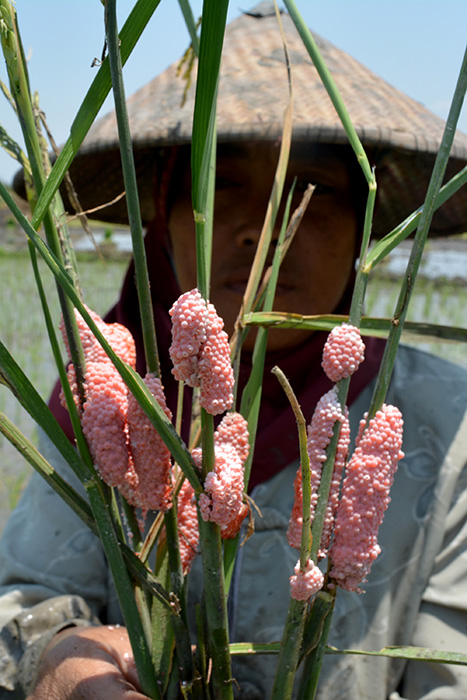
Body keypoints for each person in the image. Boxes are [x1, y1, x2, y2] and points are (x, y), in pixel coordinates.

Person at [1, 3, 467, 699]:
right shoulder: (109, 394)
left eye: (312, 192)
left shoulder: (445, 421)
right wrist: (58, 659)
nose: (260, 229)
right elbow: (23, 596)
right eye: (218, 185)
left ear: (363, 232)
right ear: (163, 217)